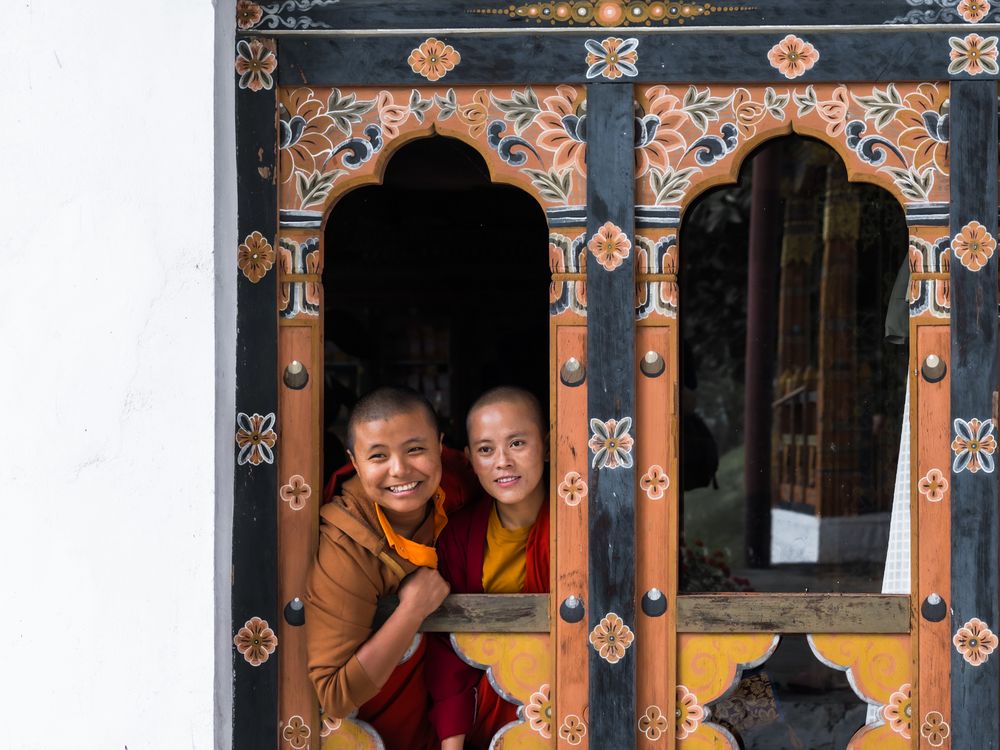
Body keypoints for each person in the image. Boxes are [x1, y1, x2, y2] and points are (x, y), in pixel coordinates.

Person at [305, 386, 475, 750]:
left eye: (415, 450)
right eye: (378, 456)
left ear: (440, 446)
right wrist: (412, 610)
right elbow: (334, 694)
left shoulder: (460, 485)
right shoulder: (346, 545)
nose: (400, 470)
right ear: (354, 461)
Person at [427, 386, 550, 750]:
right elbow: (448, 649)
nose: (502, 461)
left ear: (547, 445)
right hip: (490, 718)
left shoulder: (578, 527)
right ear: (469, 458)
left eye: (517, 443)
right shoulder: (458, 536)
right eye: (485, 449)